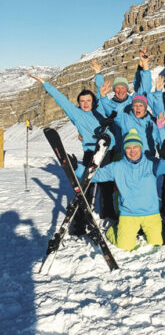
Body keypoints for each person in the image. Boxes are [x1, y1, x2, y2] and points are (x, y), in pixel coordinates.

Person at [28, 72, 117, 228]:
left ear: (93, 101)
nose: (85, 103)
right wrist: (44, 82)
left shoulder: (100, 110)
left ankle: (108, 214)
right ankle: (81, 219)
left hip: (107, 151)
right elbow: (61, 99)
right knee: (86, 187)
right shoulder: (76, 114)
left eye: (88, 100)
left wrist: (98, 73)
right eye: (82, 101)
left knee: (107, 186)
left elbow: (101, 90)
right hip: (91, 152)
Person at [91, 127, 165, 251]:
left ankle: (159, 226)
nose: (132, 151)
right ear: (124, 149)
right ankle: (113, 228)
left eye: (135, 147)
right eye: (128, 148)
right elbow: (96, 175)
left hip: (151, 213)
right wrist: (76, 168)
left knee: (158, 242)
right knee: (124, 246)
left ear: (141, 148)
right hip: (129, 214)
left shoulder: (151, 163)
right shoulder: (117, 167)